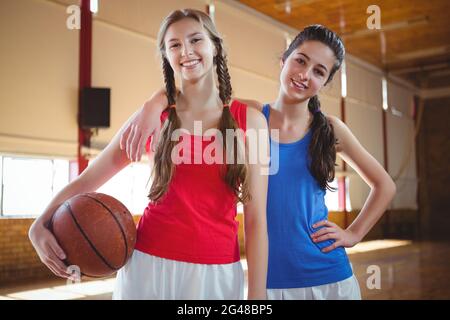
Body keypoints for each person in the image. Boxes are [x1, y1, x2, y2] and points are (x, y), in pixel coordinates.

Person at [121, 24, 396, 300]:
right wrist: (152, 104)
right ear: (284, 61)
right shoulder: (249, 115)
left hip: (330, 276)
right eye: (300, 60)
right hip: (270, 284)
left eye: (319, 71)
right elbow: (188, 95)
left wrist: (354, 234)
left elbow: (384, 185)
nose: (304, 74)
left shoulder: (331, 130)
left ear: (325, 83)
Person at [29, 9, 269, 300]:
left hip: (215, 270)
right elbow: (88, 179)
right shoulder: (152, 119)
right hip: (147, 264)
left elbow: (256, 220)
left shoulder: (250, 121)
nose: (186, 51)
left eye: (195, 40)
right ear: (166, 56)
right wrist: (39, 224)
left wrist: (257, 297)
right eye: (175, 45)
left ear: (215, 46)